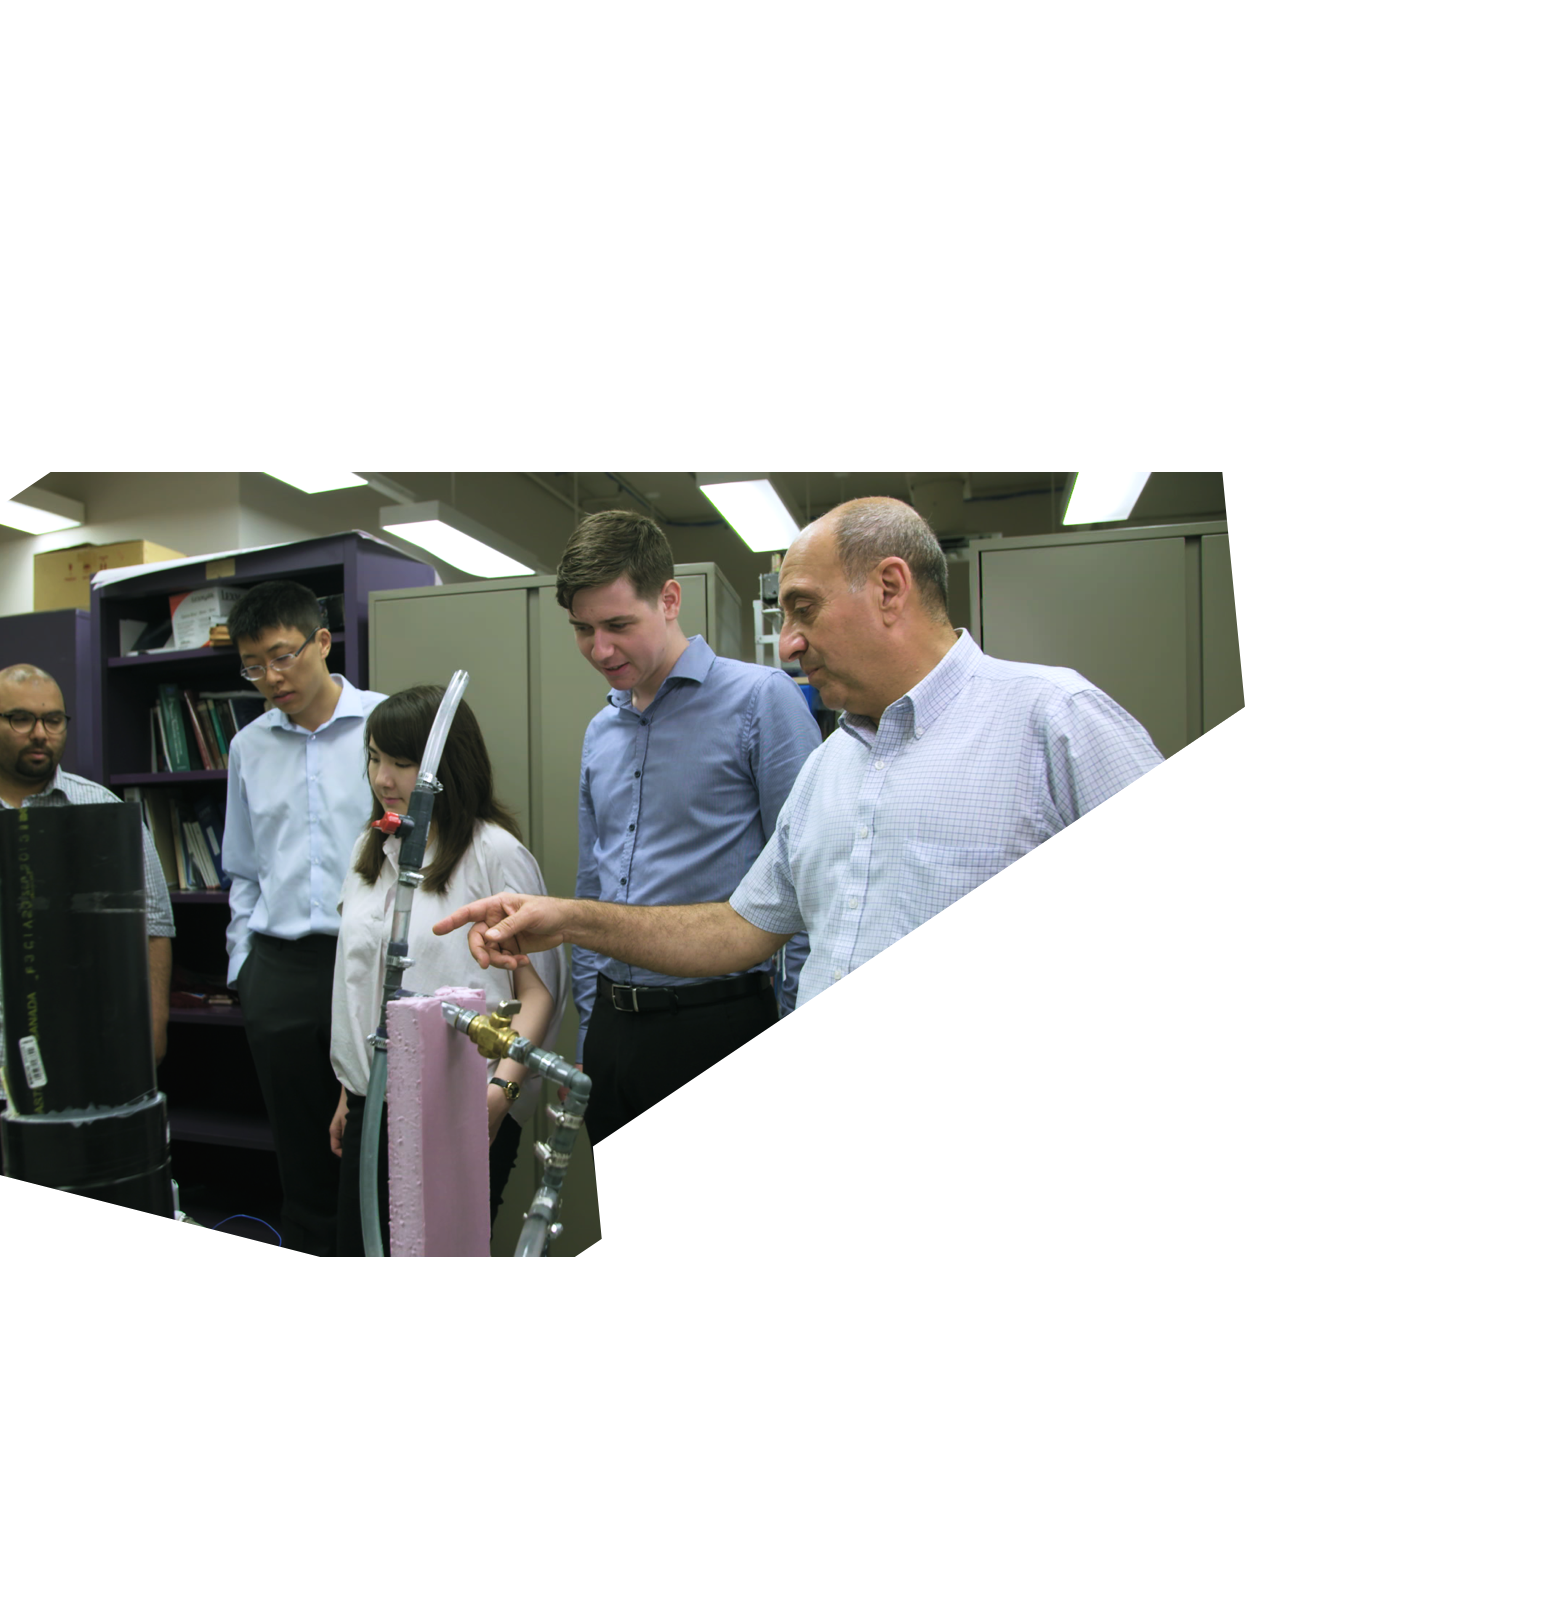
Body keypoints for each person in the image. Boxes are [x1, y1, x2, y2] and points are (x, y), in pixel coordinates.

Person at [437, 496, 1166, 1008]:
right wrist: (570, 920)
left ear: (889, 589)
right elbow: (741, 927)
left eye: (803, 609)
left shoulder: (1051, 720)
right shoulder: (833, 765)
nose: (786, 644)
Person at [554, 511, 819, 1148]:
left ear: (669, 599)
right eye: (583, 630)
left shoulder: (762, 700)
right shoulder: (601, 731)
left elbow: (811, 883)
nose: (601, 650)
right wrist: (591, 1035)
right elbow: (592, 896)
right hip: (616, 1034)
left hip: (719, 1021)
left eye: (619, 625)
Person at [0, 663, 176, 1176]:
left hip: (73, 1070)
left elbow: (153, 925)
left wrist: (150, 1034)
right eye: (20, 718)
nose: (40, 733)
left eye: (53, 720)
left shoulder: (101, 811)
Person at [327, 686, 566, 1256]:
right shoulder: (371, 848)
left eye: (402, 763)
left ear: (446, 767)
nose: (383, 778)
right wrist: (348, 1090)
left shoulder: (494, 855)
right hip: (371, 1098)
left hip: (461, 1104)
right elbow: (360, 983)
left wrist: (499, 1092)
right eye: (374, 757)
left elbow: (539, 994)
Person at [218, 580, 386, 1256]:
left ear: (322, 641)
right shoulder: (248, 746)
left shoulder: (386, 725)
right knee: (302, 1155)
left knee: (378, 1143)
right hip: (280, 968)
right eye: (253, 666)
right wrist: (244, 967)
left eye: (283, 656)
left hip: (367, 961)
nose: (271, 677)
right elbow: (244, 868)